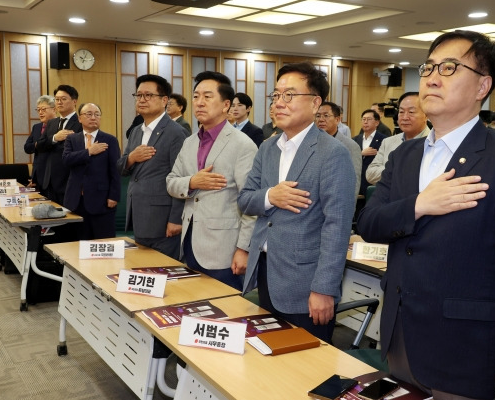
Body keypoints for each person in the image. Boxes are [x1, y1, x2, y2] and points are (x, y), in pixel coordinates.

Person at [357, 30, 495, 399]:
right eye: (428, 67)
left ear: (482, 86)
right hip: (401, 338)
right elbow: (369, 223)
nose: (431, 77)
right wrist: (420, 205)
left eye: (449, 68)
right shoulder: (405, 155)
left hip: (465, 351)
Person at [238, 62, 356, 342]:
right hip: (267, 269)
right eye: (276, 96)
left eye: (289, 95)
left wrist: (324, 289)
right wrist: (271, 196)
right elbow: (244, 199)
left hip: (307, 281)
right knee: (271, 355)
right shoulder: (268, 147)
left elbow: (337, 227)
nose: (279, 103)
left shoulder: (332, 154)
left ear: (316, 103)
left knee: (309, 369)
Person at [166, 71, 257, 290]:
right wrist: (192, 182)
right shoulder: (189, 142)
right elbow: (171, 182)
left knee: (224, 314)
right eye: (196, 96)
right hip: (190, 241)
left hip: (224, 248)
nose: (199, 102)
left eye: (207, 97)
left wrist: (244, 248)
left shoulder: (243, 145)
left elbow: (251, 204)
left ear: (226, 105)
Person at [117, 74, 186, 259]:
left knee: (163, 274)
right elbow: (121, 168)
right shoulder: (135, 132)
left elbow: (181, 179)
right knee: (142, 269)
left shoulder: (176, 133)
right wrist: (131, 158)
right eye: (138, 95)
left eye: (148, 95)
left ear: (164, 100)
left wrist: (175, 219)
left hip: (163, 220)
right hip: (139, 214)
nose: (142, 100)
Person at [62, 103, 121, 240]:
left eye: (97, 114)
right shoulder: (72, 139)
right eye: (89, 114)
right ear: (80, 118)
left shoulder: (110, 140)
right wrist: (88, 152)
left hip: (102, 200)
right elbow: (66, 160)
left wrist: (114, 196)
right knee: (78, 243)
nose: (93, 117)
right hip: (76, 200)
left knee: (104, 242)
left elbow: (115, 170)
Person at [365, 92, 430, 185]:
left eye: (411, 112)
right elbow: (370, 174)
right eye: (401, 112)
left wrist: (389, 171)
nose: (405, 117)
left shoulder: (435, 142)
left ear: (426, 115)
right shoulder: (388, 142)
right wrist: (400, 169)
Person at [36, 84, 82, 205]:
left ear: (74, 101)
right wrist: (55, 138)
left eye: (63, 99)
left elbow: (79, 151)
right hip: (48, 181)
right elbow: (40, 146)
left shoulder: (80, 123)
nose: (59, 102)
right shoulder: (52, 123)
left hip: (68, 181)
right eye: (57, 99)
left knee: (68, 219)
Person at [315, 101, 361, 196]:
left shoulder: (350, 146)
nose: (321, 119)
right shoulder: (311, 143)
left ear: (337, 120)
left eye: (326, 115)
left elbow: (354, 182)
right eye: (318, 116)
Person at [25, 95, 56, 194]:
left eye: (43, 109)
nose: (40, 112)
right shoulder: (36, 127)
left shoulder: (59, 126)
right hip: (37, 175)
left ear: (54, 109)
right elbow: (27, 148)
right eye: (38, 110)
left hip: (52, 176)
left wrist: (37, 145)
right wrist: (38, 144)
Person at [353, 109, 387, 197]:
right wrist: (361, 153)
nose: (365, 122)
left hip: (374, 183)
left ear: (377, 123)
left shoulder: (384, 140)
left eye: (369, 119)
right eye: (363, 119)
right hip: (357, 181)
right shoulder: (355, 140)